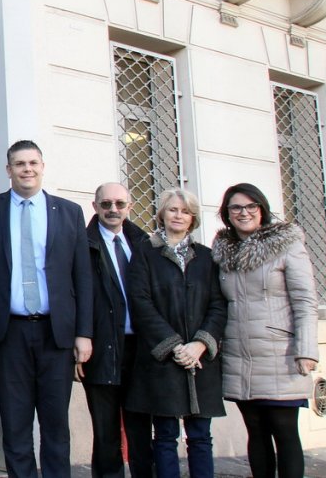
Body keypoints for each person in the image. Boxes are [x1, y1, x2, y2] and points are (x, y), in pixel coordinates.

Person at [0, 140, 92, 478]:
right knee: (15, 423)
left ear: (42, 166)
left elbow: (82, 276)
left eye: (33, 163)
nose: (27, 169)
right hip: (8, 334)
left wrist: (84, 333)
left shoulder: (69, 212)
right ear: (8, 170)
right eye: (19, 164)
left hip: (56, 334)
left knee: (56, 424)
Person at [211, 183, 318, 478]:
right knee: (255, 430)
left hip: (280, 354)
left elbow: (306, 302)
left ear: (262, 209)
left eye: (250, 207)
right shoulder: (223, 253)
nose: (243, 213)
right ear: (227, 214)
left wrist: (306, 350)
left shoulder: (287, 245)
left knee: (284, 430)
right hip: (240, 354)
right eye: (236, 208)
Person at [126, 188, 226, 478]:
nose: (178, 215)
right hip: (163, 360)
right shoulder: (146, 253)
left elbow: (218, 305)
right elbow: (141, 302)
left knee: (200, 435)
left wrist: (200, 344)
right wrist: (174, 346)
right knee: (166, 435)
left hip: (200, 361)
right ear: (162, 214)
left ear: (192, 217)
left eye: (184, 211)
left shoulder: (206, 257)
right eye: (172, 209)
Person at [79, 183, 152, 478]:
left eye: (120, 204)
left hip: (140, 350)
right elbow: (77, 296)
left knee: (140, 429)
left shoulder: (143, 243)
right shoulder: (82, 244)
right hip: (102, 346)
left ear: (129, 207)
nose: (113, 210)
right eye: (106, 204)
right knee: (106, 431)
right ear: (95, 207)